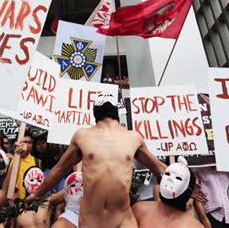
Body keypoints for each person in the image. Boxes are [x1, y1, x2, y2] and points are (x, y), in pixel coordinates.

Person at [25, 92, 168, 227]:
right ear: (116, 113)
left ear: (95, 113)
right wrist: (37, 193)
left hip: (119, 220)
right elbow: (161, 169)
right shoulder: (128, 137)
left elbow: (59, 170)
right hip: (94, 220)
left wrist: (36, 193)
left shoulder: (127, 138)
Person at [132, 163, 203, 228]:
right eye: (168, 174)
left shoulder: (194, 226)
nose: (170, 179)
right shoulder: (140, 210)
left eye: (178, 178)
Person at [0, 131, 40, 205]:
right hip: (11, 201)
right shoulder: (11, 160)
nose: (27, 145)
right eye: (24, 142)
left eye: (29, 142)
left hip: (28, 202)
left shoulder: (37, 162)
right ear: (17, 143)